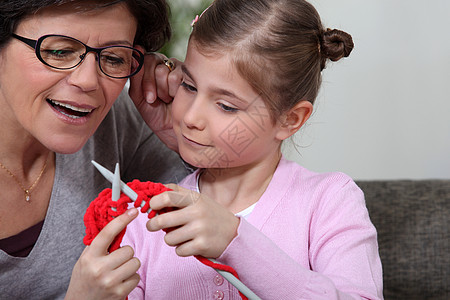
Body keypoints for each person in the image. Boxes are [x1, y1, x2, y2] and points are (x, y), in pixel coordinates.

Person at [122, 0, 383, 299]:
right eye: (189, 86)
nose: (191, 117)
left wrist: (235, 242)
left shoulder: (329, 202)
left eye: (226, 106)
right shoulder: (146, 216)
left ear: (290, 119)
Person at [0, 1, 188, 299]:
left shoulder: (116, 121)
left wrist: (183, 136)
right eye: (59, 52)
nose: (88, 81)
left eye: (114, 58)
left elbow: (223, 220)